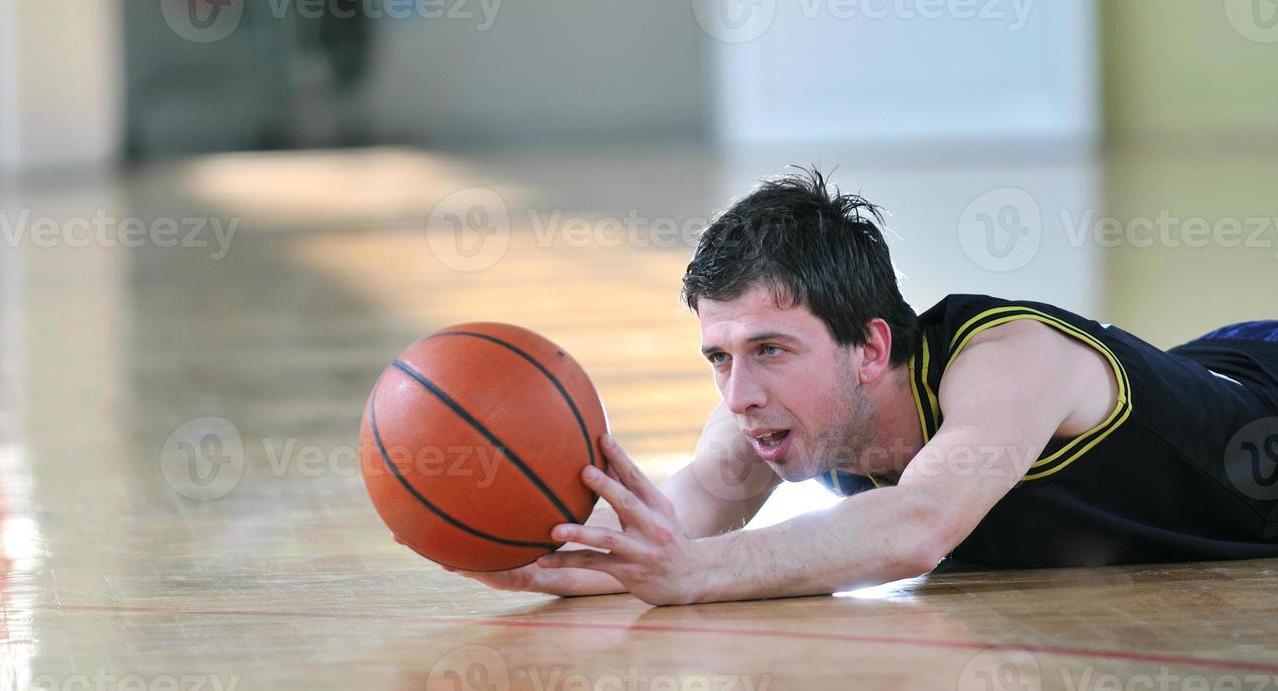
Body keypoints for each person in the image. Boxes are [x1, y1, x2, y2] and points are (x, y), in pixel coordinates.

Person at [418, 167, 1278, 605]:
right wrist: (540, 552)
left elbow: (916, 527)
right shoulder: (772, 411)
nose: (739, 392)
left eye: (769, 349)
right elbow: (678, 526)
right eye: (718, 356)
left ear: (869, 347)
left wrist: (694, 574)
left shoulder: (1016, 360)